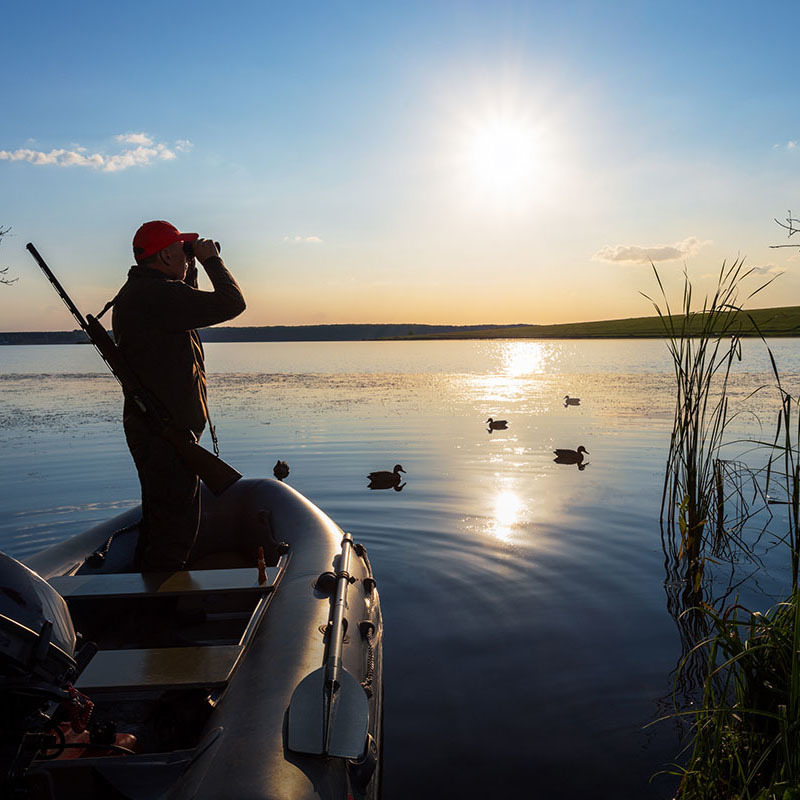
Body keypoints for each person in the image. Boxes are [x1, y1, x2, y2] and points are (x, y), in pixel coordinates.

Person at [111, 220, 246, 571]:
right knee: (174, 533)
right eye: (182, 251)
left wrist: (191, 268)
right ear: (166, 255)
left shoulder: (148, 293)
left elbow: (188, 308)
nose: (188, 257)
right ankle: (164, 600)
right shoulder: (157, 295)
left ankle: (147, 593)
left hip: (159, 430)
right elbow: (231, 303)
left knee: (162, 523)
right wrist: (212, 260)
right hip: (165, 434)